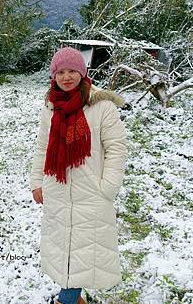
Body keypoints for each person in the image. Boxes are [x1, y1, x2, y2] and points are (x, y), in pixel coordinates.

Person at [29, 47, 128, 304]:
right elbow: (42, 147)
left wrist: (108, 187)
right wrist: (37, 182)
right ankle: (75, 298)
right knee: (68, 255)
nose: (67, 76)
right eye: (61, 72)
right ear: (54, 76)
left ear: (82, 72)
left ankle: (67, 300)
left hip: (91, 193)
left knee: (82, 255)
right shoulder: (51, 106)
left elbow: (117, 148)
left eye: (72, 70)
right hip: (58, 189)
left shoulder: (101, 106)